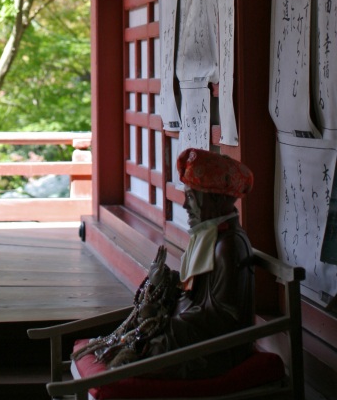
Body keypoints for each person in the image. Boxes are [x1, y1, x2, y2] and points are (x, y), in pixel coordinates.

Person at [73, 148, 254, 377]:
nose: (186, 207)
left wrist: (167, 318)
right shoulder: (210, 237)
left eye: (191, 197)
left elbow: (225, 317)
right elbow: (196, 292)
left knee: (151, 341)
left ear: (216, 199)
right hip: (196, 332)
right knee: (146, 331)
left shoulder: (228, 245)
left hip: (219, 347)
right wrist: (166, 282)